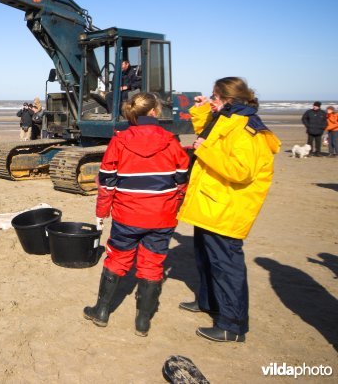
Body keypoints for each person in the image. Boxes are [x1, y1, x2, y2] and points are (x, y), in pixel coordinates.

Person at [177, 77, 280, 343]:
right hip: (212, 203)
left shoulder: (247, 128)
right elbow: (207, 134)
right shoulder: (228, 118)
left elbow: (241, 171)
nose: (211, 100)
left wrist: (207, 151)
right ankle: (208, 302)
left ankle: (232, 325)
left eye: (214, 97)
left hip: (227, 208)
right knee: (205, 257)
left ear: (228, 99)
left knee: (226, 265)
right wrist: (202, 109)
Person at [83, 92, 190, 336]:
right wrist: (175, 203)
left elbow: (107, 181)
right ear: (154, 112)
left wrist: (102, 211)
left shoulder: (120, 140)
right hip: (162, 215)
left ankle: (101, 311)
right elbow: (182, 177)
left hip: (127, 215)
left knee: (117, 259)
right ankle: (142, 323)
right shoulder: (171, 140)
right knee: (152, 265)